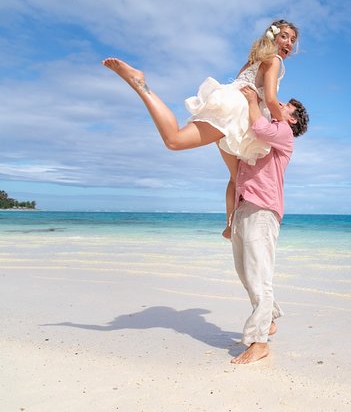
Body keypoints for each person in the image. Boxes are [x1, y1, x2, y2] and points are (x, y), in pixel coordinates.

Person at [101, 19, 299, 238]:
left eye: (292, 39)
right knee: (174, 140)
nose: (288, 43)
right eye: (284, 36)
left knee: (236, 176)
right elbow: (270, 99)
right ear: (274, 37)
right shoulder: (275, 61)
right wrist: (281, 123)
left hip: (232, 110)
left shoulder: (253, 60)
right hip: (234, 113)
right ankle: (140, 84)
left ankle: (230, 225)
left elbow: (248, 87)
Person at [230, 85, 308, 364]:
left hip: (263, 210)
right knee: (245, 273)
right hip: (245, 208)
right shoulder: (266, 129)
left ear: (293, 118)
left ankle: (260, 341)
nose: (280, 104)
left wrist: (253, 99)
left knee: (259, 277)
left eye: (286, 105)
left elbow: (261, 129)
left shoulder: (284, 133)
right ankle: (269, 317)